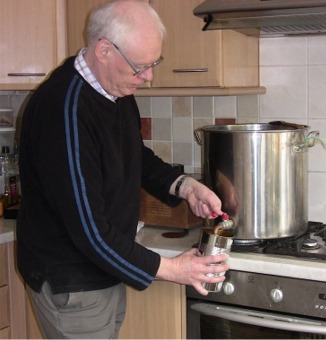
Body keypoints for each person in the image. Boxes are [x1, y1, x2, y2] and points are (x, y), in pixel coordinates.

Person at [16, 0, 229, 338]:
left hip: (103, 266)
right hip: (73, 279)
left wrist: (185, 186)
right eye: (140, 66)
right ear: (103, 50)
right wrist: (173, 268)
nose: (149, 77)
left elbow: (133, 154)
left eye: (154, 63)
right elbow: (89, 230)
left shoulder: (113, 89)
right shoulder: (64, 112)